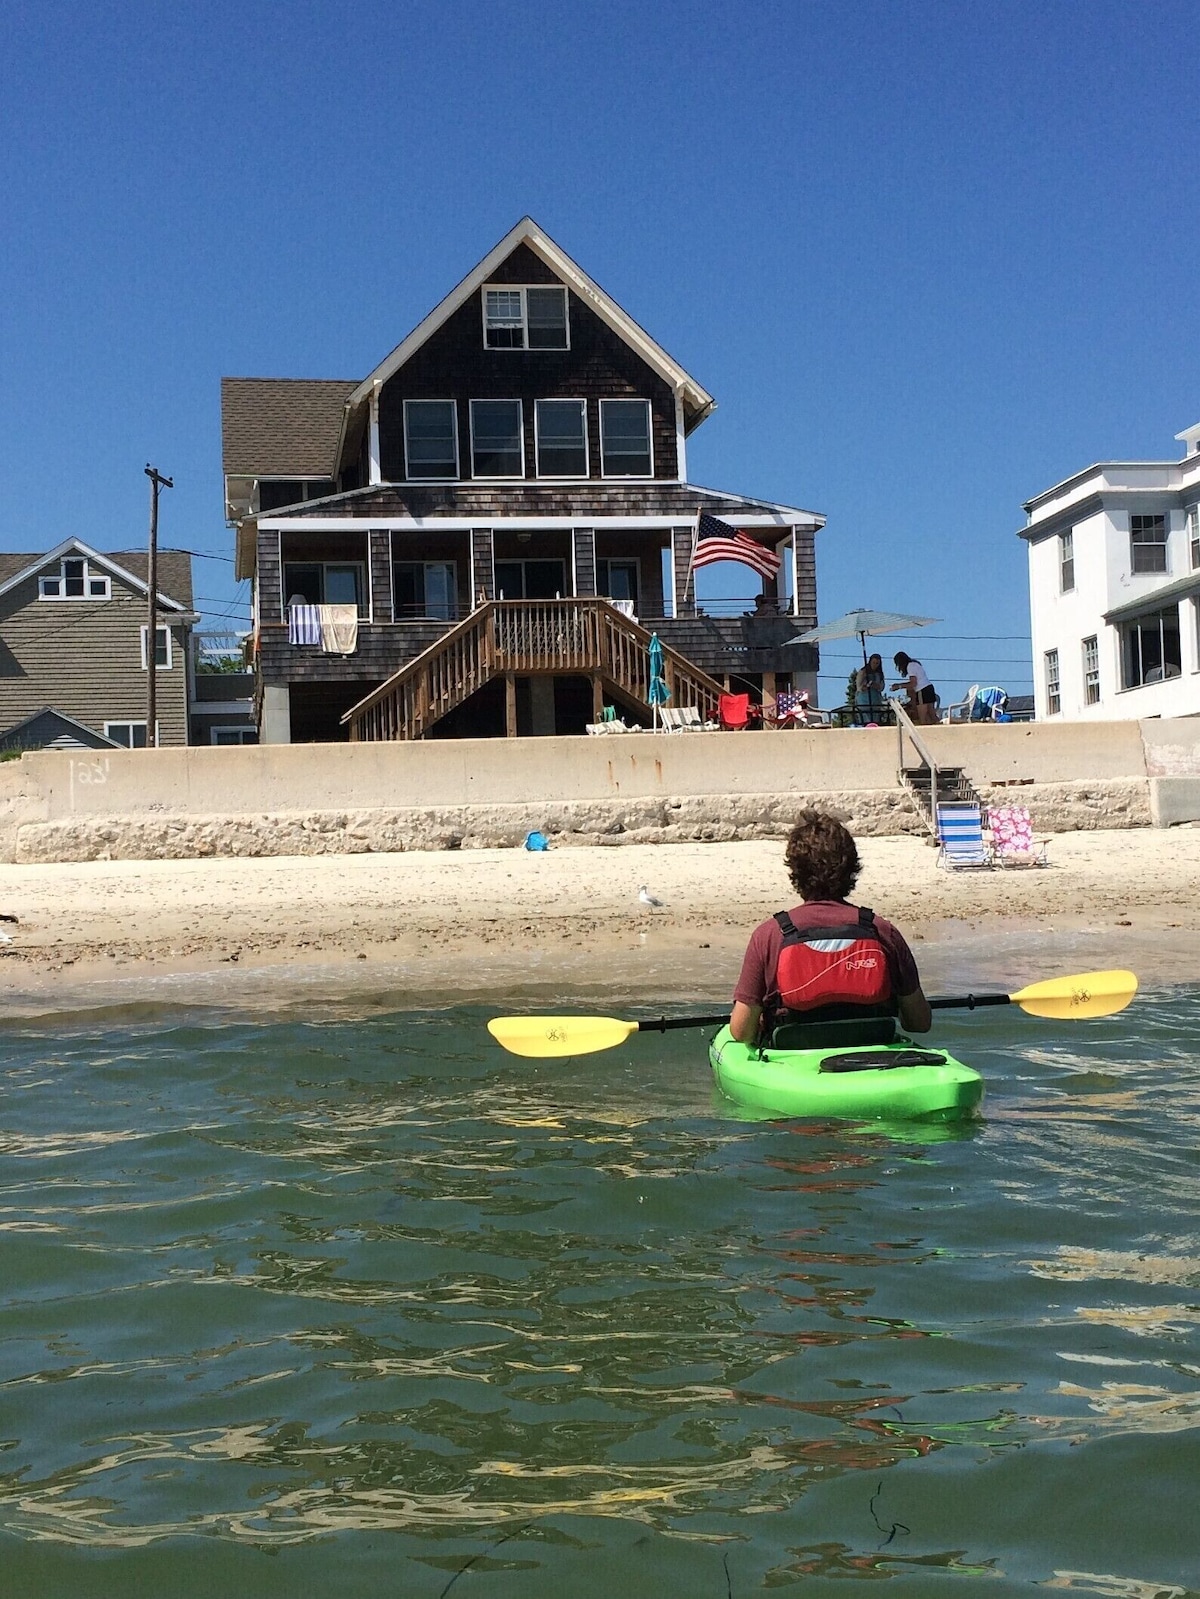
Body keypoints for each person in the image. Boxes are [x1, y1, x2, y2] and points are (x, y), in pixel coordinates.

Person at [729, 810, 932, 1046]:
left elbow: (742, 1031)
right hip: (873, 1054)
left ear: (796, 871)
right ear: (852, 869)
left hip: (793, 1058)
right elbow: (919, 1022)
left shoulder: (770, 935)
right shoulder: (882, 930)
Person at [892, 651, 938, 725]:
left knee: (922, 717)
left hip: (922, 690)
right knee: (932, 714)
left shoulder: (910, 666)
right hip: (929, 688)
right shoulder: (915, 664)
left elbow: (913, 683)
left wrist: (899, 686)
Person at [854, 653, 886, 722]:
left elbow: (882, 687)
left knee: (875, 719)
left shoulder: (879, 674)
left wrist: (875, 685)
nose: (875, 665)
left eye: (877, 663)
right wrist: (866, 685)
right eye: (873, 662)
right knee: (865, 720)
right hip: (864, 701)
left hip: (875, 701)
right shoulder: (863, 671)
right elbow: (859, 687)